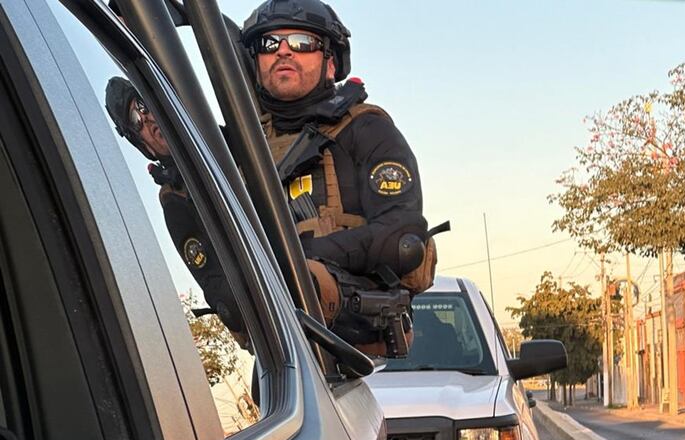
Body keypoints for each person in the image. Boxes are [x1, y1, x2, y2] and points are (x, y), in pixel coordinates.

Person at [242, 0, 440, 356]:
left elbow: (402, 236)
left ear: (330, 63)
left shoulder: (365, 129)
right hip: (278, 347)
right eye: (269, 44)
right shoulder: (246, 144)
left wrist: (301, 257)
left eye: (302, 42)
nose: (283, 51)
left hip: (354, 341)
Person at [104, 77, 246, 338]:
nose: (145, 120)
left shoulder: (234, 140)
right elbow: (216, 284)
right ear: (141, 144)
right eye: (135, 121)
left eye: (144, 106)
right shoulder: (175, 201)